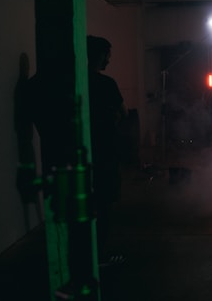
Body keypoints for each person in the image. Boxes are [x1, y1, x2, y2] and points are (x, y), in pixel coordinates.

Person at [86, 35, 128, 267]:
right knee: (103, 208)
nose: (108, 61)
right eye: (107, 56)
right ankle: (99, 257)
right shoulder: (106, 84)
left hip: (79, 157)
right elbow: (124, 113)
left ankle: (82, 255)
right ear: (99, 56)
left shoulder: (71, 82)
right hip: (104, 154)